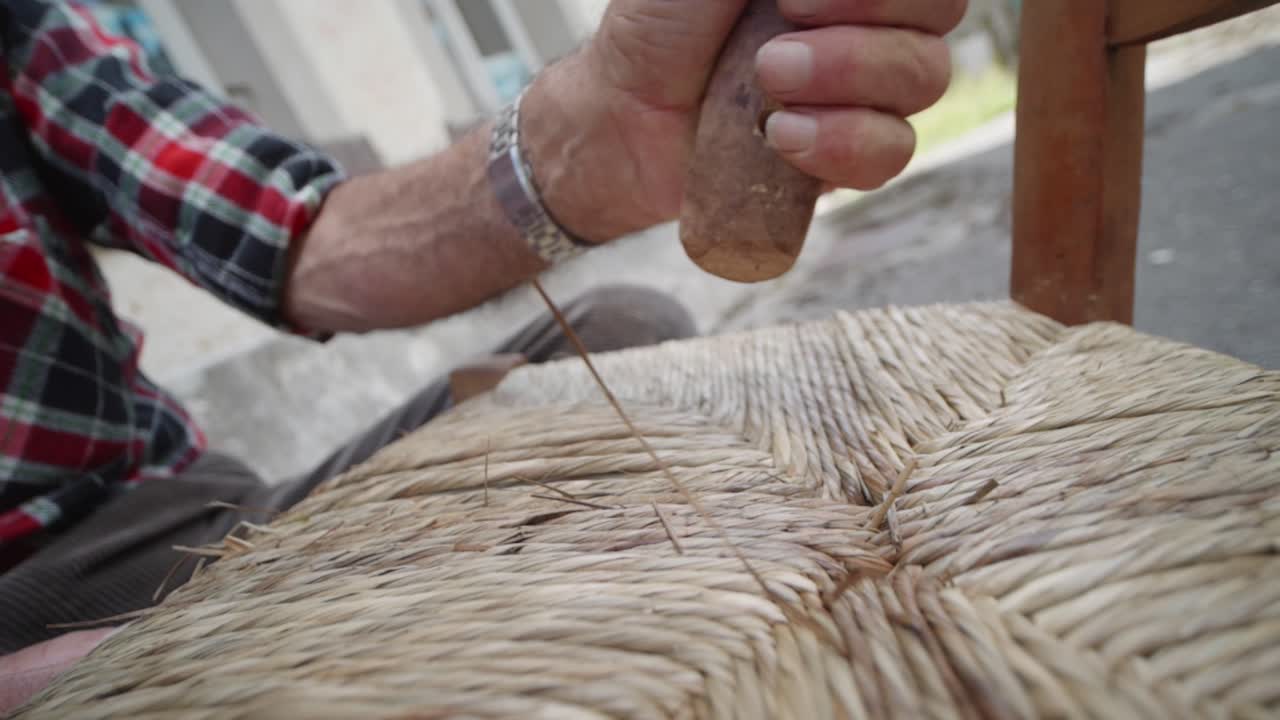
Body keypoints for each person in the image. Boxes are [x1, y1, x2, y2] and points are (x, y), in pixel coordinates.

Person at [0, 0, 965, 706]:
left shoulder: (22, 35)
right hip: (26, 600)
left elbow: (302, 243)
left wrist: (593, 142)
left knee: (618, 333)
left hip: (196, 509)